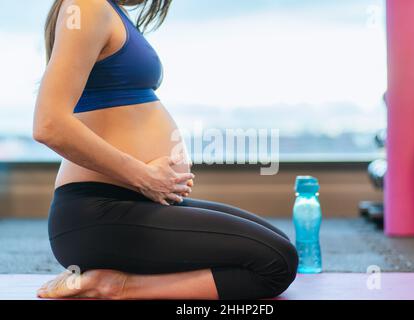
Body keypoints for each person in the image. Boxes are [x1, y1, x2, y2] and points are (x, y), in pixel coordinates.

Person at [33, 0, 298, 300]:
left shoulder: (108, 11)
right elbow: (49, 124)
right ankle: (117, 286)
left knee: (277, 243)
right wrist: (142, 175)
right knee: (276, 261)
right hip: (98, 212)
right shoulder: (86, 5)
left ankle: (119, 277)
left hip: (135, 204)